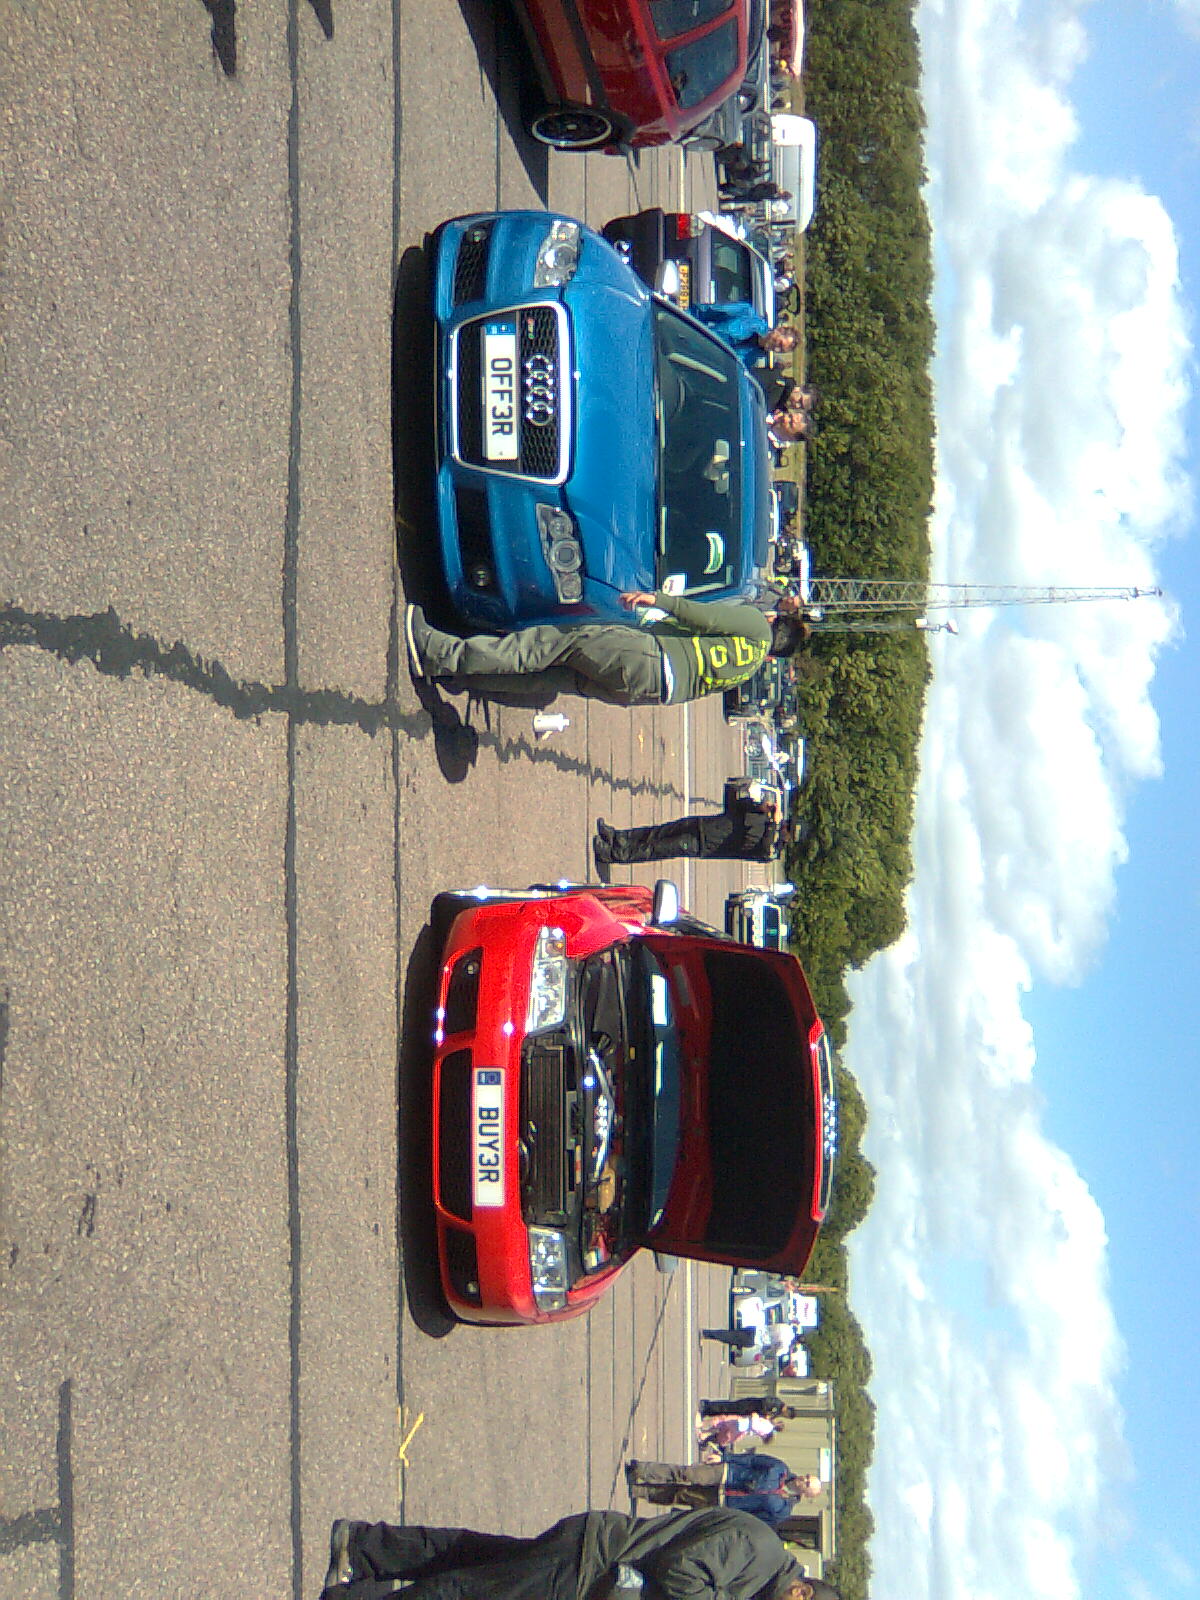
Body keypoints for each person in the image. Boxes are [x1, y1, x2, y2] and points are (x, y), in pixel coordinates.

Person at [320, 1507, 829, 1600]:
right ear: (802, 1593)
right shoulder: (758, 1549)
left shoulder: (759, 1577)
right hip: (590, 1564)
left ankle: (362, 1546)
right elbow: (679, 1571)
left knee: (471, 1559)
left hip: (589, 1557)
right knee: (470, 1592)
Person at [404, 594, 807, 709]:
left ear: (776, 622)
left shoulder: (756, 626)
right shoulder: (749, 668)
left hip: (649, 659)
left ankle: (439, 653)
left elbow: (705, 616)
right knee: (551, 676)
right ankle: (460, 674)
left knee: (551, 644)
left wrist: (659, 600)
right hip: (646, 692)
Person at [592, 778, 794, 868]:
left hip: (704, 844)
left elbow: (757, 846)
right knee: (657, 832)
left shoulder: (772, 850)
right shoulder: (766, 819)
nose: (783, 826)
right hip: (704, 824)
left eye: (787, 829)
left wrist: (773, 825)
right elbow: (733, 805)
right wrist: (758, 806)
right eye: (787, 823)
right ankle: (619, 838)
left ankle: (613, 855)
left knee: (658, 848)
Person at [625, 1453, 821, 1528]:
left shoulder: (781, 1510)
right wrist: (725, 1457)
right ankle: (641, 1470)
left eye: (807, 1484)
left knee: (680, 1496)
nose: (803, 1480)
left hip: (722, 1502)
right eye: (807, 1477)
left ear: (806, 1495)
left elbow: (753, 1521)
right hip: (726, 1473)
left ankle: (640, 1492)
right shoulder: (779, 1468)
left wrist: (726, 1518)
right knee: (685, 1474)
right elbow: (751, 1460)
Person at [688, 302, 799, 369]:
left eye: (780, 350)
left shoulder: (749, 361)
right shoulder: (746, 313)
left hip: (692, 359)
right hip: (688, 333)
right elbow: (705, 311)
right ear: (779, 330)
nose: (776, 349)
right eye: (780, 344)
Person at [698, 1396, 798, 1420]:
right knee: (728, 1407)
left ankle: (708, 1412)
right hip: (750, 1404)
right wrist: (766, 1413)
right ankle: (707, 1405)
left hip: (749, 1412)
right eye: (787, 1415)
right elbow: (765, 1401)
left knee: (728, 1413)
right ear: (788, 1411)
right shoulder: (777, 1403)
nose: (785, 1416)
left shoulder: (777, 1413)